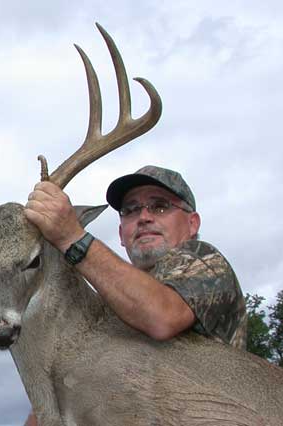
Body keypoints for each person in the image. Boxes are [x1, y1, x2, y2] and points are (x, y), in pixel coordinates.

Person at [22, 165, 246, 426]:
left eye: (160, 206)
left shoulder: (204, 262)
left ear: (192, 222)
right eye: (130, 210)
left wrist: (72, 238)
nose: (144, 217)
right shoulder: (112, 305)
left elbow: (162, 317)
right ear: (120, 233)